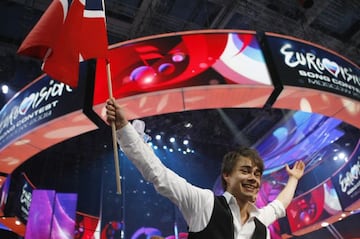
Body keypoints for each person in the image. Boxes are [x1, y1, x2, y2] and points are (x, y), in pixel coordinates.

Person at [105, 98, 305, 239]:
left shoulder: (260, 222)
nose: (253, 178)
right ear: (226, 175)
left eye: (257, 173)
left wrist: (294, 179)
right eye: (245, 171)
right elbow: (159, 174)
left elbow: (279, 206)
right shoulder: (205, 203)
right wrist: (124, 127)